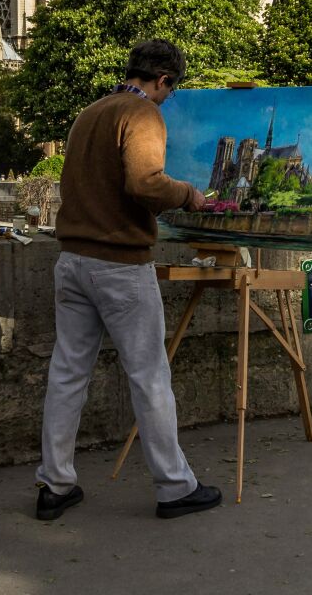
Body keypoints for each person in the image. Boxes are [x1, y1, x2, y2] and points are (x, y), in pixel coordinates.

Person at [34, 39, 221, 522]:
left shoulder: (89, 113)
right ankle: (175, 487)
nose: (167, 99)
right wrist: (189, 195)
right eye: (170, 90)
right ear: (163, 80)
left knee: (68, 373)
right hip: (118, 264)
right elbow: (144, 183)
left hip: (72, 259)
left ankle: (54, 484)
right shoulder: (143, 116)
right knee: (150, 376)